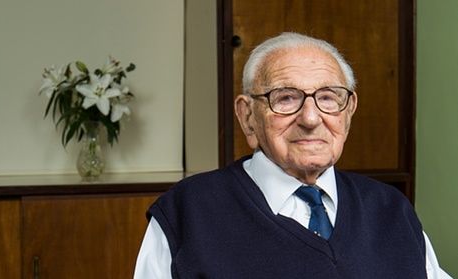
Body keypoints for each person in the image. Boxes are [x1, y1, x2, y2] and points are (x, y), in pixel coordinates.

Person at [134, 32, 452, 278]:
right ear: (247, 116)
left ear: (349, 111)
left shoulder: (391, 210)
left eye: (328, 97)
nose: (311, 119)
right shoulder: (186, 214)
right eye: (285, 98)